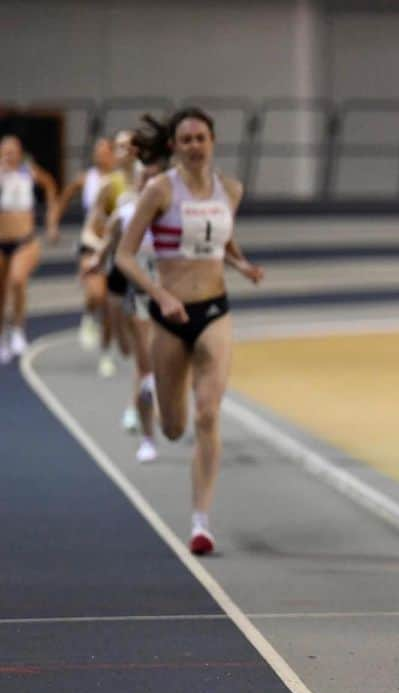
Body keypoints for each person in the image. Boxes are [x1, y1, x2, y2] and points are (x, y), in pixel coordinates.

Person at [116, 108, 263, 555]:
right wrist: (160, 296)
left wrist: (240, 263)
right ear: (175, 146)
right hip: (169, 316)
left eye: (201, 138)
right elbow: (124, 256)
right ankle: (148, 393)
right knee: (176, 427)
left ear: (213, 141)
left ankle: (201, 522)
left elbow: (221, 238)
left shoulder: (230, 190)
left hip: (214, 310)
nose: (195, 146)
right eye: (186, 140)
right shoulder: (160, 190)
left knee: (208, 414)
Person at [87, 151, 167, 463]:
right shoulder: (127, 209)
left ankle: (152, 408)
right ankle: (148, 437)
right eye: (142, 177)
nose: (147, 183)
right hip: (141, 291)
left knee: (163, 361)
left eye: (153, 178)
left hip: (174, 289)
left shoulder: (173, 208)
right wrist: (97, 259)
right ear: (136, 180)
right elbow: (111, 239)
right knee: (144, 365)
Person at [85, 130, 140, 379]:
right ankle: (106, 352)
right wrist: (97, 248)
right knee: (111, 312)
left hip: (145, 260)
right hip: (117, 257)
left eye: (129, 146)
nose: (124, 152)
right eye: (119, 147)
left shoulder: (151, 180)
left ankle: (148, 368)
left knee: (143, 318)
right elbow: (95, 222)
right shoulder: (110, 185)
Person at [0, 135, 59, 363]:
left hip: (25, 239)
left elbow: (50, 185)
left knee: (17, 279)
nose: (9, 154)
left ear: (20, 151)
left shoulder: (28, 171)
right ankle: (3, 336)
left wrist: (51, 219)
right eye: (5, 150)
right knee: (1, 291)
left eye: (13, 150)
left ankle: (18, 329)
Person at [55, 137, 115, 351]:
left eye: (105, 151)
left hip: (115, 244)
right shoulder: (86, 178)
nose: (101, 155)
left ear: (113, 153)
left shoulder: (121, 180)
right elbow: (64, 197)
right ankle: (89, 315)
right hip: (91, 241)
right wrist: (53, 223)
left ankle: (105, 351)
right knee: (96, 294)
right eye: (97, 151)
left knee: (110, 303)